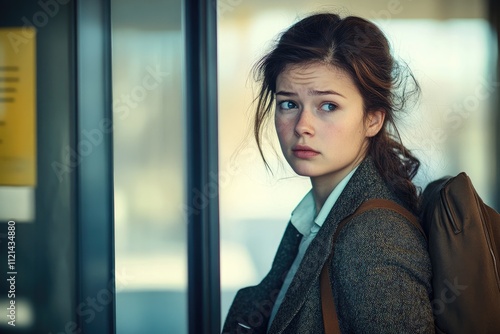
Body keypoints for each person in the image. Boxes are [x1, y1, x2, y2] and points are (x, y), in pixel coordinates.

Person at [222, 12, 435, 334]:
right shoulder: (320, 215)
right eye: (289, 104)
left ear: (373, 120)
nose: (303, 126)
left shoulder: (374, 237)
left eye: (328, 106)